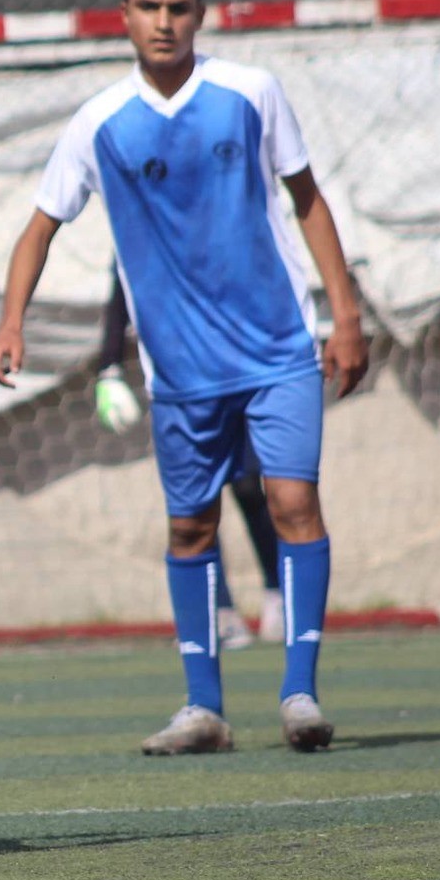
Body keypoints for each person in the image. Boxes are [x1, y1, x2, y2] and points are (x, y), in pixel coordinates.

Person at [0, 0, 368, 756]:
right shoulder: (98, 123)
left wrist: (345, 315)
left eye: (179, 8)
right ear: (124, 16)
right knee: (190, 527)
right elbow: (39, 228)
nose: (164, 22)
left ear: (201, 14)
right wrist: (11, 322)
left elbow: (308, 201)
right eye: (150, 8)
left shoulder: (251, 93)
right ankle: (204, 709)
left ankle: (300, 693)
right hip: (180, 372)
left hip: (276, 348)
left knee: (293, 503)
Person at [93, 269, 285, 649]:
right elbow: (123, 288)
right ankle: (220, 611)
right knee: (197, 498)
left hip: (234, 366)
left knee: (249, 485)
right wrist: (109, 368)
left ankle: (278, 595)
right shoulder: (139, 232)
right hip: (177, 379)